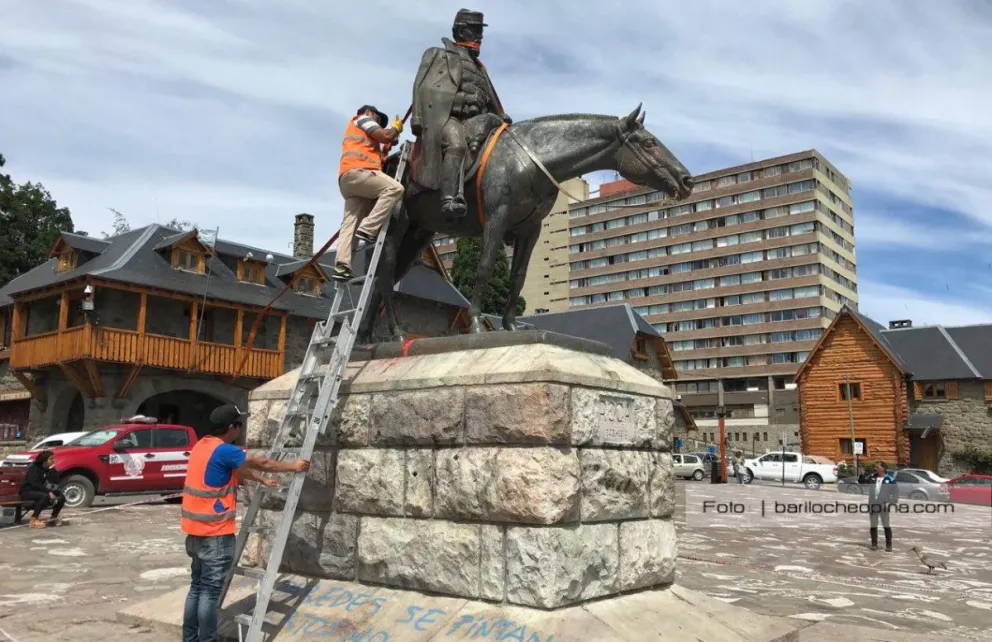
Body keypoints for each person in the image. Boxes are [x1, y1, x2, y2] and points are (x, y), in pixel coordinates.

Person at [181, 404, 311, 642]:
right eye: (239, 424)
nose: (241, 428)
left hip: (194, 533)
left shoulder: (202, 446)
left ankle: (190, 639)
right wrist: (293, 467)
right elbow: (260, 461)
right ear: (232, 427)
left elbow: (239, 470)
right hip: (215, 534)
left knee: (197, 588)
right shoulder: (224, 450)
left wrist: (262, 480)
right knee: (209, 593)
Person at [411, 9, 511, 221]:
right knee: (457, 146)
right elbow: (422, 86)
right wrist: (417, 117)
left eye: (479, 31)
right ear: (461, 31)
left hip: (478, 120)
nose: (479, 36)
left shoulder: (480, 69)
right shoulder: (438, 54)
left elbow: (491, 99)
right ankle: (449, 199)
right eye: (474, 30)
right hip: (448, 117)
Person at [332, 105, 406, 282]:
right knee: (395, 189)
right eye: (378, 119)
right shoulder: (361, 119)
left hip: (348, 181)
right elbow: (385, 135)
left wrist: (390, 141)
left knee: (350, 223)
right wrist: (394, 128)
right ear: (369, 112)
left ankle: (342, 265)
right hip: (360, 172)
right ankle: (369, 228)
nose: (378, 122)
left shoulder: (362, 139)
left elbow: (385, 142)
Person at [19, 450, 65, 528]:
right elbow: (35, 484)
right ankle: (34, 519)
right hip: (28, 492)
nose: (53, 460)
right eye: (51, 459)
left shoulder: (49, 469)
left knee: (61, 497)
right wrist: (48, 492)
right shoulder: (33, 468)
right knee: (44, 496)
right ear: (44, 461)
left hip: (41, 491)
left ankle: (53, 518)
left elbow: (55, 481)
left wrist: (53, 471)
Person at [860, 460, 898, 552]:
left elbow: (895, 494)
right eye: (875, 467)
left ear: (883, 468)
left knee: (886, 526)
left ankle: (889, 545)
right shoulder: (873, 477)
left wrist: (890, 502)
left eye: (877, 467)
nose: (875, 468)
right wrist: (862, 474)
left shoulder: (890, 480)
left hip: (884, 506)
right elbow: (862, 483)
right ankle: (874, 544)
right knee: (873, 525)